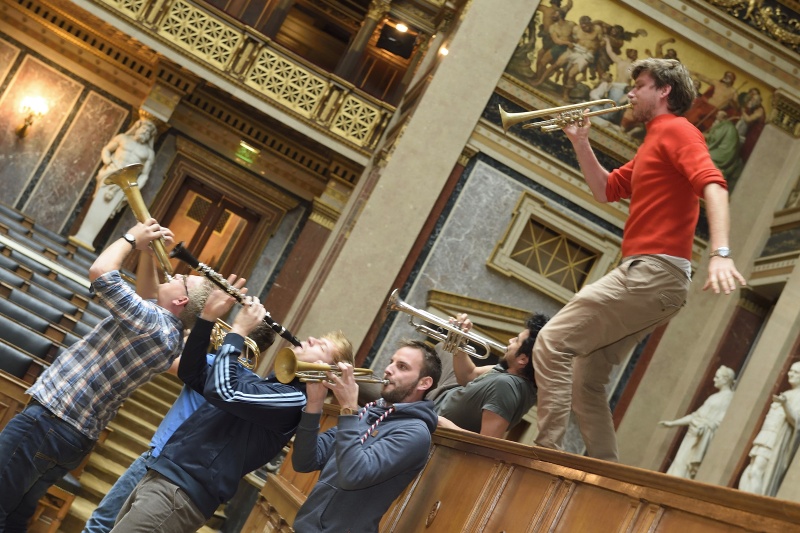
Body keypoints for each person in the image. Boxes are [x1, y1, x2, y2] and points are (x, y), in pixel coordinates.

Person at [532, 58, 747, 463]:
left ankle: (544, 458)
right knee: (587, 380)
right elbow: (606, 189)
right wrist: (580, 141)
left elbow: (715, 187)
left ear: (664, 91)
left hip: (651, 273)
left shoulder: (678, 130)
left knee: (552, 341)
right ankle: (605, 474)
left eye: (639, 85)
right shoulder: (653, 140)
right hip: (660, 284)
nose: (629, 93)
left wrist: (720, 253)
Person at [0, 218, 209, 532]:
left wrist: (130, 239)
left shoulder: (152, 324)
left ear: (180, 301)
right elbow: (149, 295)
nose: (173, 272)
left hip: (52, 419)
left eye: (180, 278)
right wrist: (151, 255)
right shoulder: (170, 334)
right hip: (73, 435)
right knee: (15, 515)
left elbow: (100, 272)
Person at [111, 283, 353, 532]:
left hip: (179, 493)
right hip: (166, 475)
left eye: (321, 347)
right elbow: (192, 373)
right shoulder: (260, 386)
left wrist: (238, 331)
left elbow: (223, 390)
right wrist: (206, 318)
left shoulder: (292, 400)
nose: (311, 339)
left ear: (327, 372)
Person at [81, 321, 276, 533]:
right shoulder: (251, 386)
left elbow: (166, 361)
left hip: (161, 456)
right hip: (185, 469)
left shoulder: (212, 364)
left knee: (100, 524)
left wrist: (191, 339)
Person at [291, 339, 440, 533]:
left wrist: (349, 409)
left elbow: (354, 475)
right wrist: (315, 404)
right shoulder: (365, 414)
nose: (388, 369)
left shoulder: (415, 433)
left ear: (424, 383)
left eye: (402, 367)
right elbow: (304, 461)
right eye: (391, 362)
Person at [434, 313, 548, 438]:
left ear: (522, 359)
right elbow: (468, 375)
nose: (510, 340)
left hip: (433, 411)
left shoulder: (506, 386)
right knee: (443, 348)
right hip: (446, 394)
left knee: (425, 356)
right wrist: (458, 341)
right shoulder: (510, 372)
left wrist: (441, 422)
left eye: (516, 340)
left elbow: (486, 444)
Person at [71, 119, 157, 251]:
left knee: (107, 209)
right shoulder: (123, 138)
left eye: (148, 132)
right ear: (137, 128)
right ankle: (81, 236)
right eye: (143, 129)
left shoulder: (149, 153)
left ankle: (88, 240)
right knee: (98, 202)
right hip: (110, 174)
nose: (144, 133)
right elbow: (107, 149)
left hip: (125, 184)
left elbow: (144, 174)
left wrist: (134, 189)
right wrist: (107, 161)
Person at [660, 365, 736, 479]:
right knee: (678, 464)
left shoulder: (729, 398)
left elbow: (720, 422)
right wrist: (673, 423)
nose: (714, 379)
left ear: (725, 380)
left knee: (683, 469)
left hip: (701, 437)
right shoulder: (714, 397)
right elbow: (695, 416)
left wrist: (705, 426)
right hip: (693, 435)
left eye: (717, 377)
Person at [739, 362, 800, 496]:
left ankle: (753, 504)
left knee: (756, 472)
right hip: (765, 435)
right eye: (791, 371)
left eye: (796, 372)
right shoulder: (787, 393)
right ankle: (742, 500)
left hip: (775, 438)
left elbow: (796, 421)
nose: (791, 374)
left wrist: (785, 404)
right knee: (750, 471)